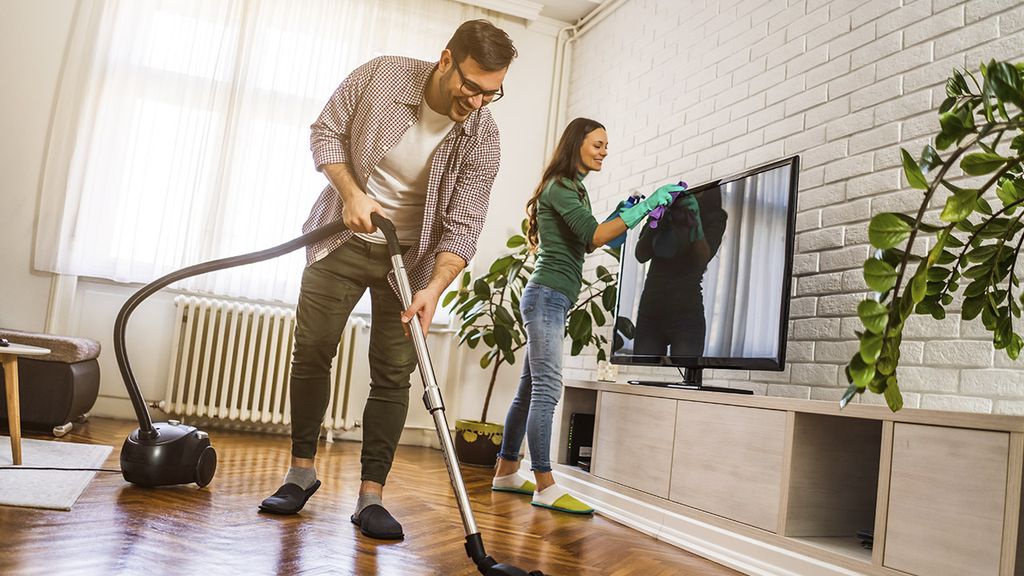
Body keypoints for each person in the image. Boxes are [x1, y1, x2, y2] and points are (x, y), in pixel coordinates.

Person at [258, 20, 517, 541]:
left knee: (395, 374)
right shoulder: (381, 77)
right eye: (472, 86)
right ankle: (301, 473)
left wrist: (434, 288)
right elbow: (325, 131)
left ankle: (370, 496)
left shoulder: (483, 138)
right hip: (342, 238)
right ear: (446, 60)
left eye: (494, 92)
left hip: (412, 264)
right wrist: (352, 192)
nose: (480, 101)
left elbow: (462, 226)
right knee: (311, 350)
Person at [490, 117, 681, 514]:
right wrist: (646, 206)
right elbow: (594, 236)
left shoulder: (574, 190)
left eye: (606, 146)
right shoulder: (560, 187)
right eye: (598, 144)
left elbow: (587, 240)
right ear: (577, 143)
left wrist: (620, 212)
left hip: (552, 297)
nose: (604, 151)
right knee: (547, 388)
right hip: (547, 296)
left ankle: (507, 472)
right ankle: (544, 484)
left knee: (529, 390)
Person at [632, 185, 727, 357]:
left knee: (688, 369)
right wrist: (658, 219)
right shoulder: (666, 207)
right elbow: (641, 254)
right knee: (642, 367)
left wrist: (695, 222)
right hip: (651, 308)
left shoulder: (715, 217)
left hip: (687, 311)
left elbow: (702, 259)